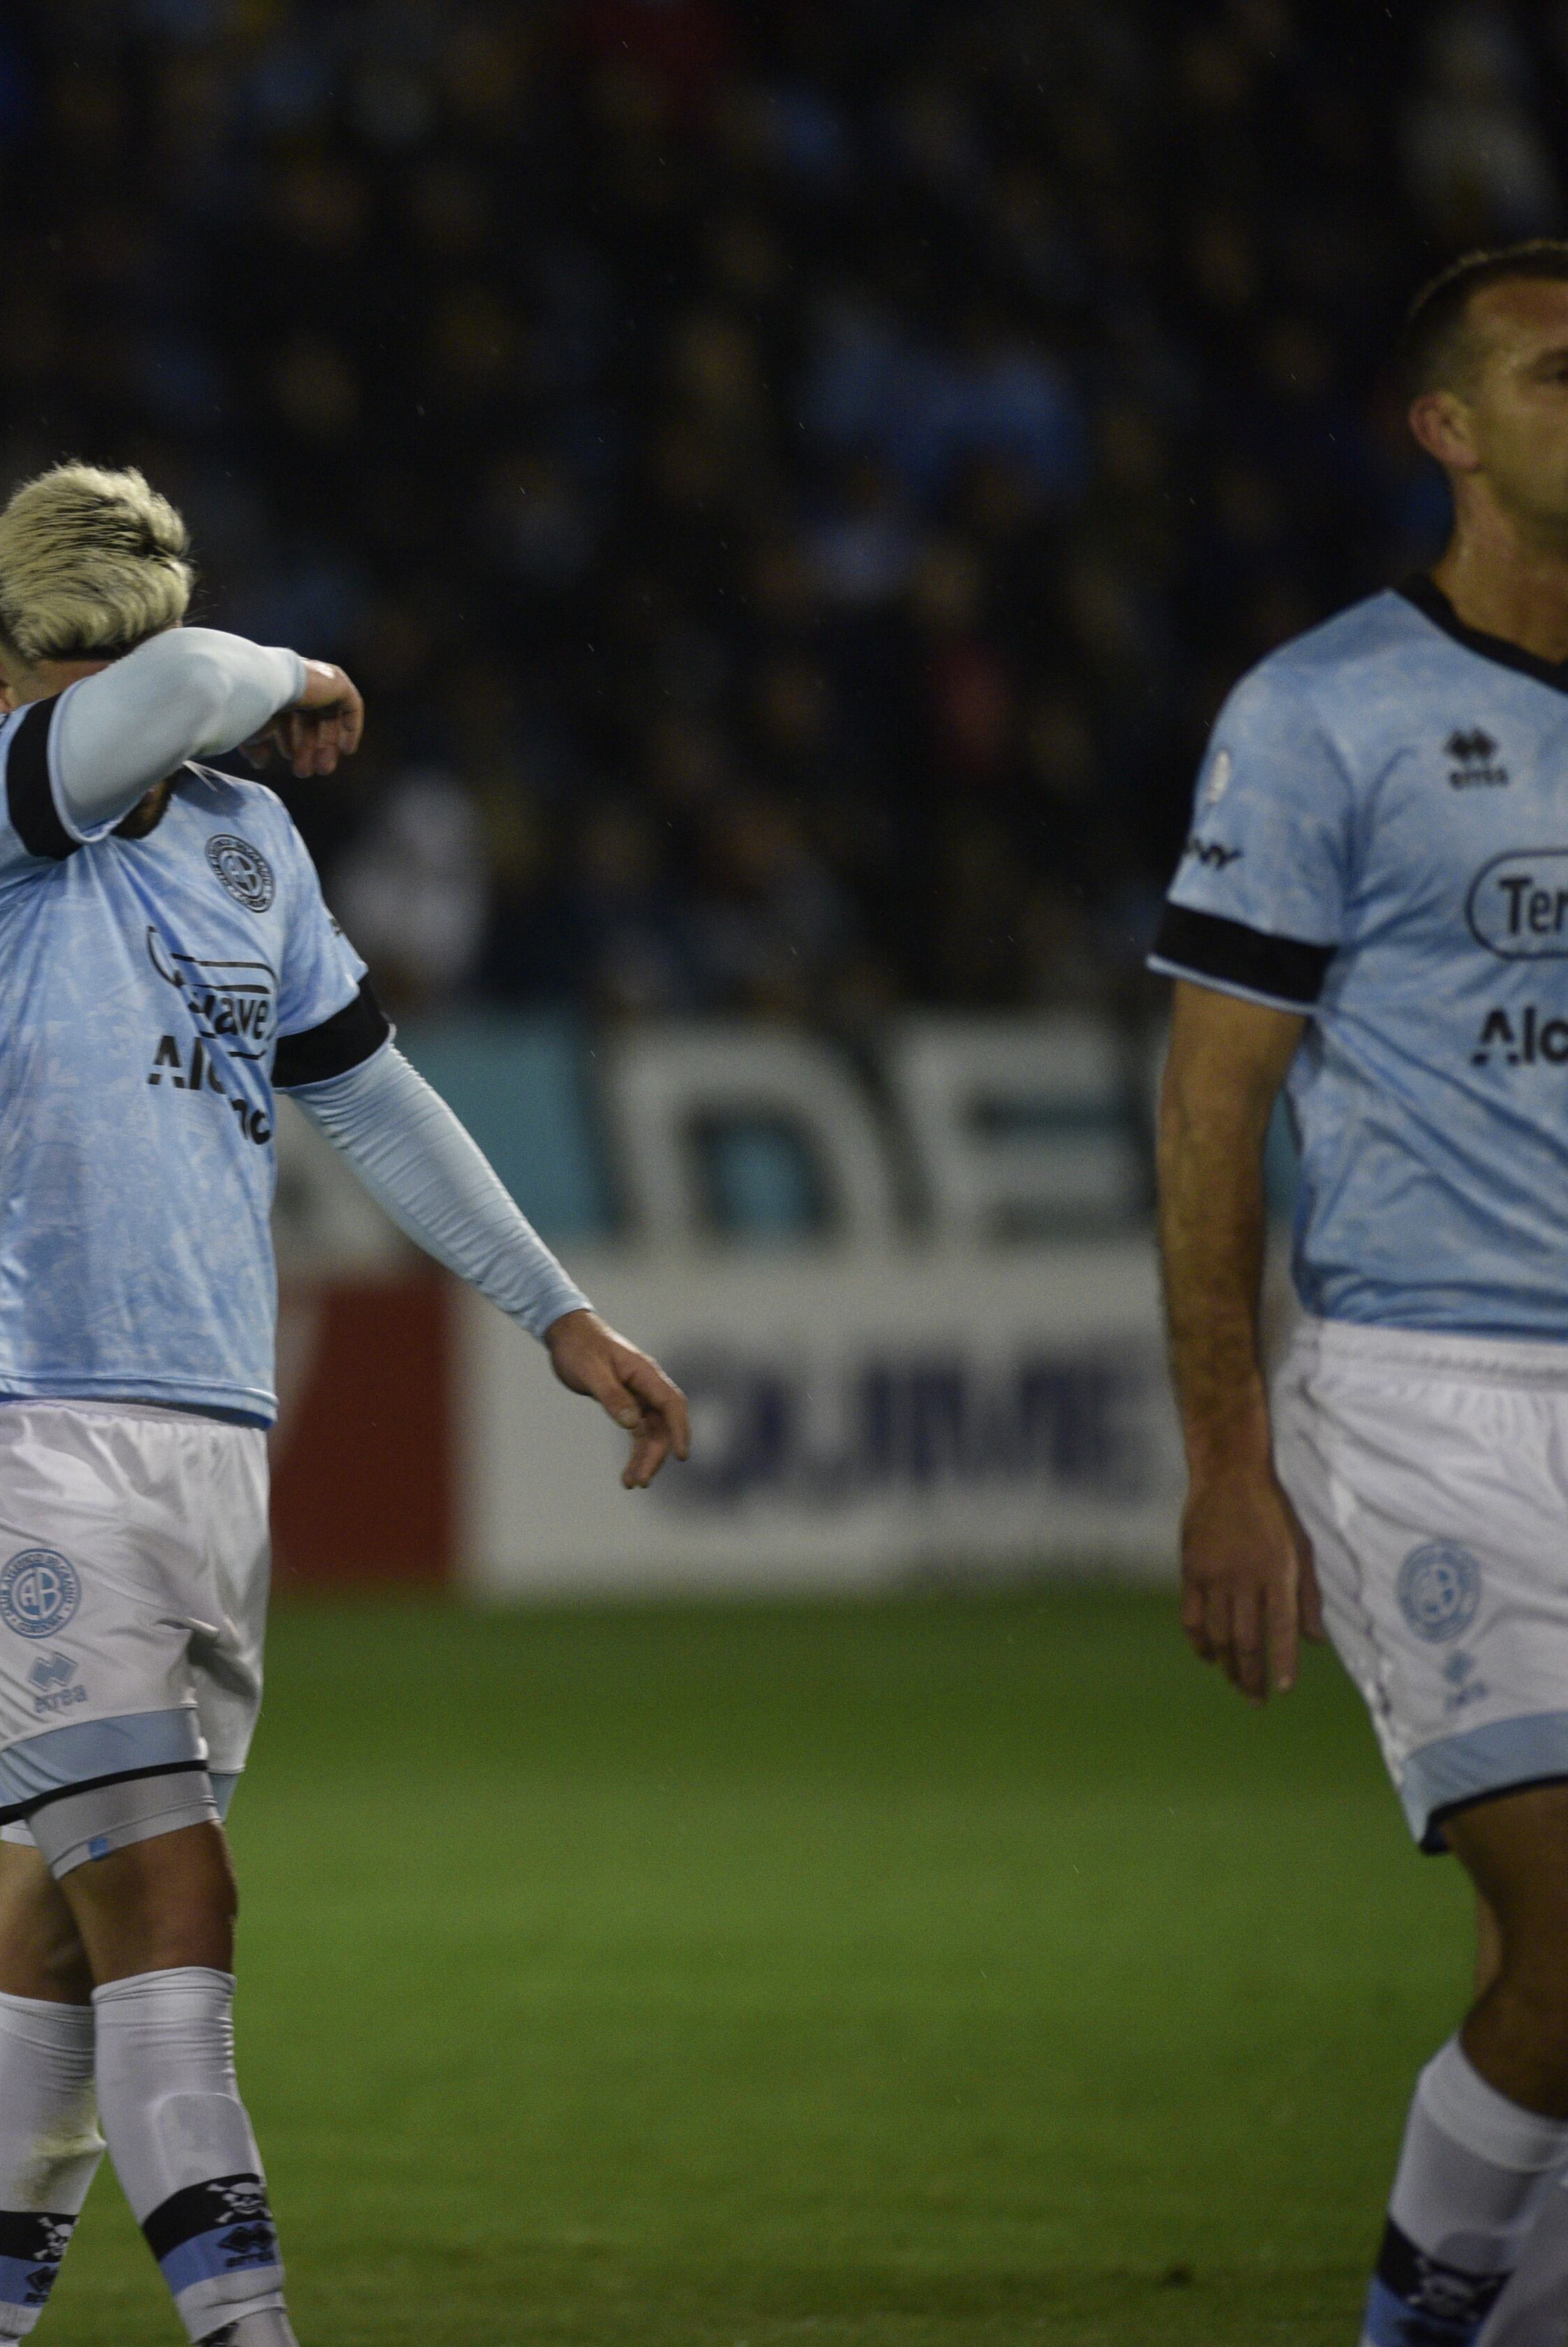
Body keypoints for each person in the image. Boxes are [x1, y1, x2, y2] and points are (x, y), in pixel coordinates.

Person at [0, 465, 688, 2347]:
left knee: (59, 1958)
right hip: (22, 1429)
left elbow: (369, 1093)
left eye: (131, 669)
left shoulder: (248, 844)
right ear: (0, 688)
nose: (105, 713)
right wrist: (278, 660)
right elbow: (158, 703)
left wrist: (554, 1313)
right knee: (177, 1909)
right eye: (59, 679)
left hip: (210, 1440)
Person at [1154, 241, 1568, 2347]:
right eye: (1559, 373)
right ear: (1451, 430)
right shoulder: (1328, 716)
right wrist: (1230, 1455)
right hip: (1432, 1390)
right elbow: (1215, 1115)